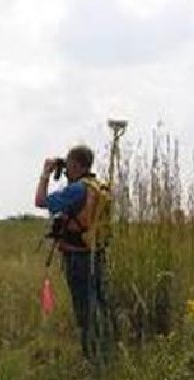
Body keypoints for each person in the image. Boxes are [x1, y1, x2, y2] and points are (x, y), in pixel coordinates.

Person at [34, 144, 112, 361]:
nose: (65, 170)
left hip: (78, 257)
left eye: (67, 165)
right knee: (100, 305)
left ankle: (94, 360)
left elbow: (40, 201)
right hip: (96, 253)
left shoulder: (77, 190)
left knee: (85, 311)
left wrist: (46, 174)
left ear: (76, 165)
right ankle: (106, 351)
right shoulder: (98, 186)